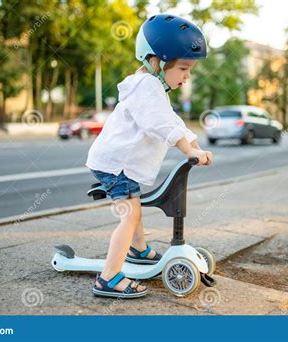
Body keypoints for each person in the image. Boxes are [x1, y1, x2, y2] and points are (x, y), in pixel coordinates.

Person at [86, 14, 213, 299]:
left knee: (134, 210)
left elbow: (172, 120)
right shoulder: (145, 87)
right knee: (129, 216)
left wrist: (194, 144)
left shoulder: (153, 87)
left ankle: (138, 250)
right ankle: (108, 278)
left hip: (120, 163)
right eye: (183, 68)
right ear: (156, 61)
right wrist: (188, 149)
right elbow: (160, 123)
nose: (187, 76)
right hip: (115, 164)